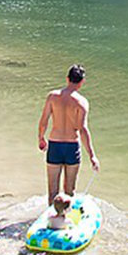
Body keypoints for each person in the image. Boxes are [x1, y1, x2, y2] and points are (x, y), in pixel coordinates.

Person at [38, 64, 100, 204]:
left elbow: (43, 121)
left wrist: (41, 138)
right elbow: (83, 129)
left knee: (52, 192)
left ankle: (52, 220)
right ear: (82, 82)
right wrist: (92, 156)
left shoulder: (52, 97)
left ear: (67, 79)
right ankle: (67, 221)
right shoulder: (81, 102)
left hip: (55, 144)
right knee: (69, 191)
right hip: (72, 147)